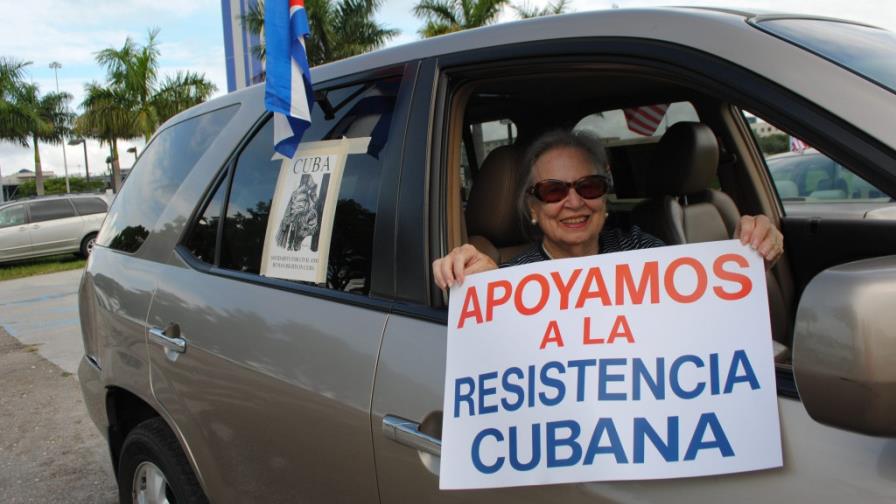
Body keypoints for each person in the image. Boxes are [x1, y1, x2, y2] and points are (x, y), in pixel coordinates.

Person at [432, 129, 784, 289]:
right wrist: (471, 285)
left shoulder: (641, 251)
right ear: (533, 207)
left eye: (589, 186)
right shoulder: (511, 281)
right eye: (554, 190)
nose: (574, 202)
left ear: (604, 197)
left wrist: (748, 260)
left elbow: (698, 299)